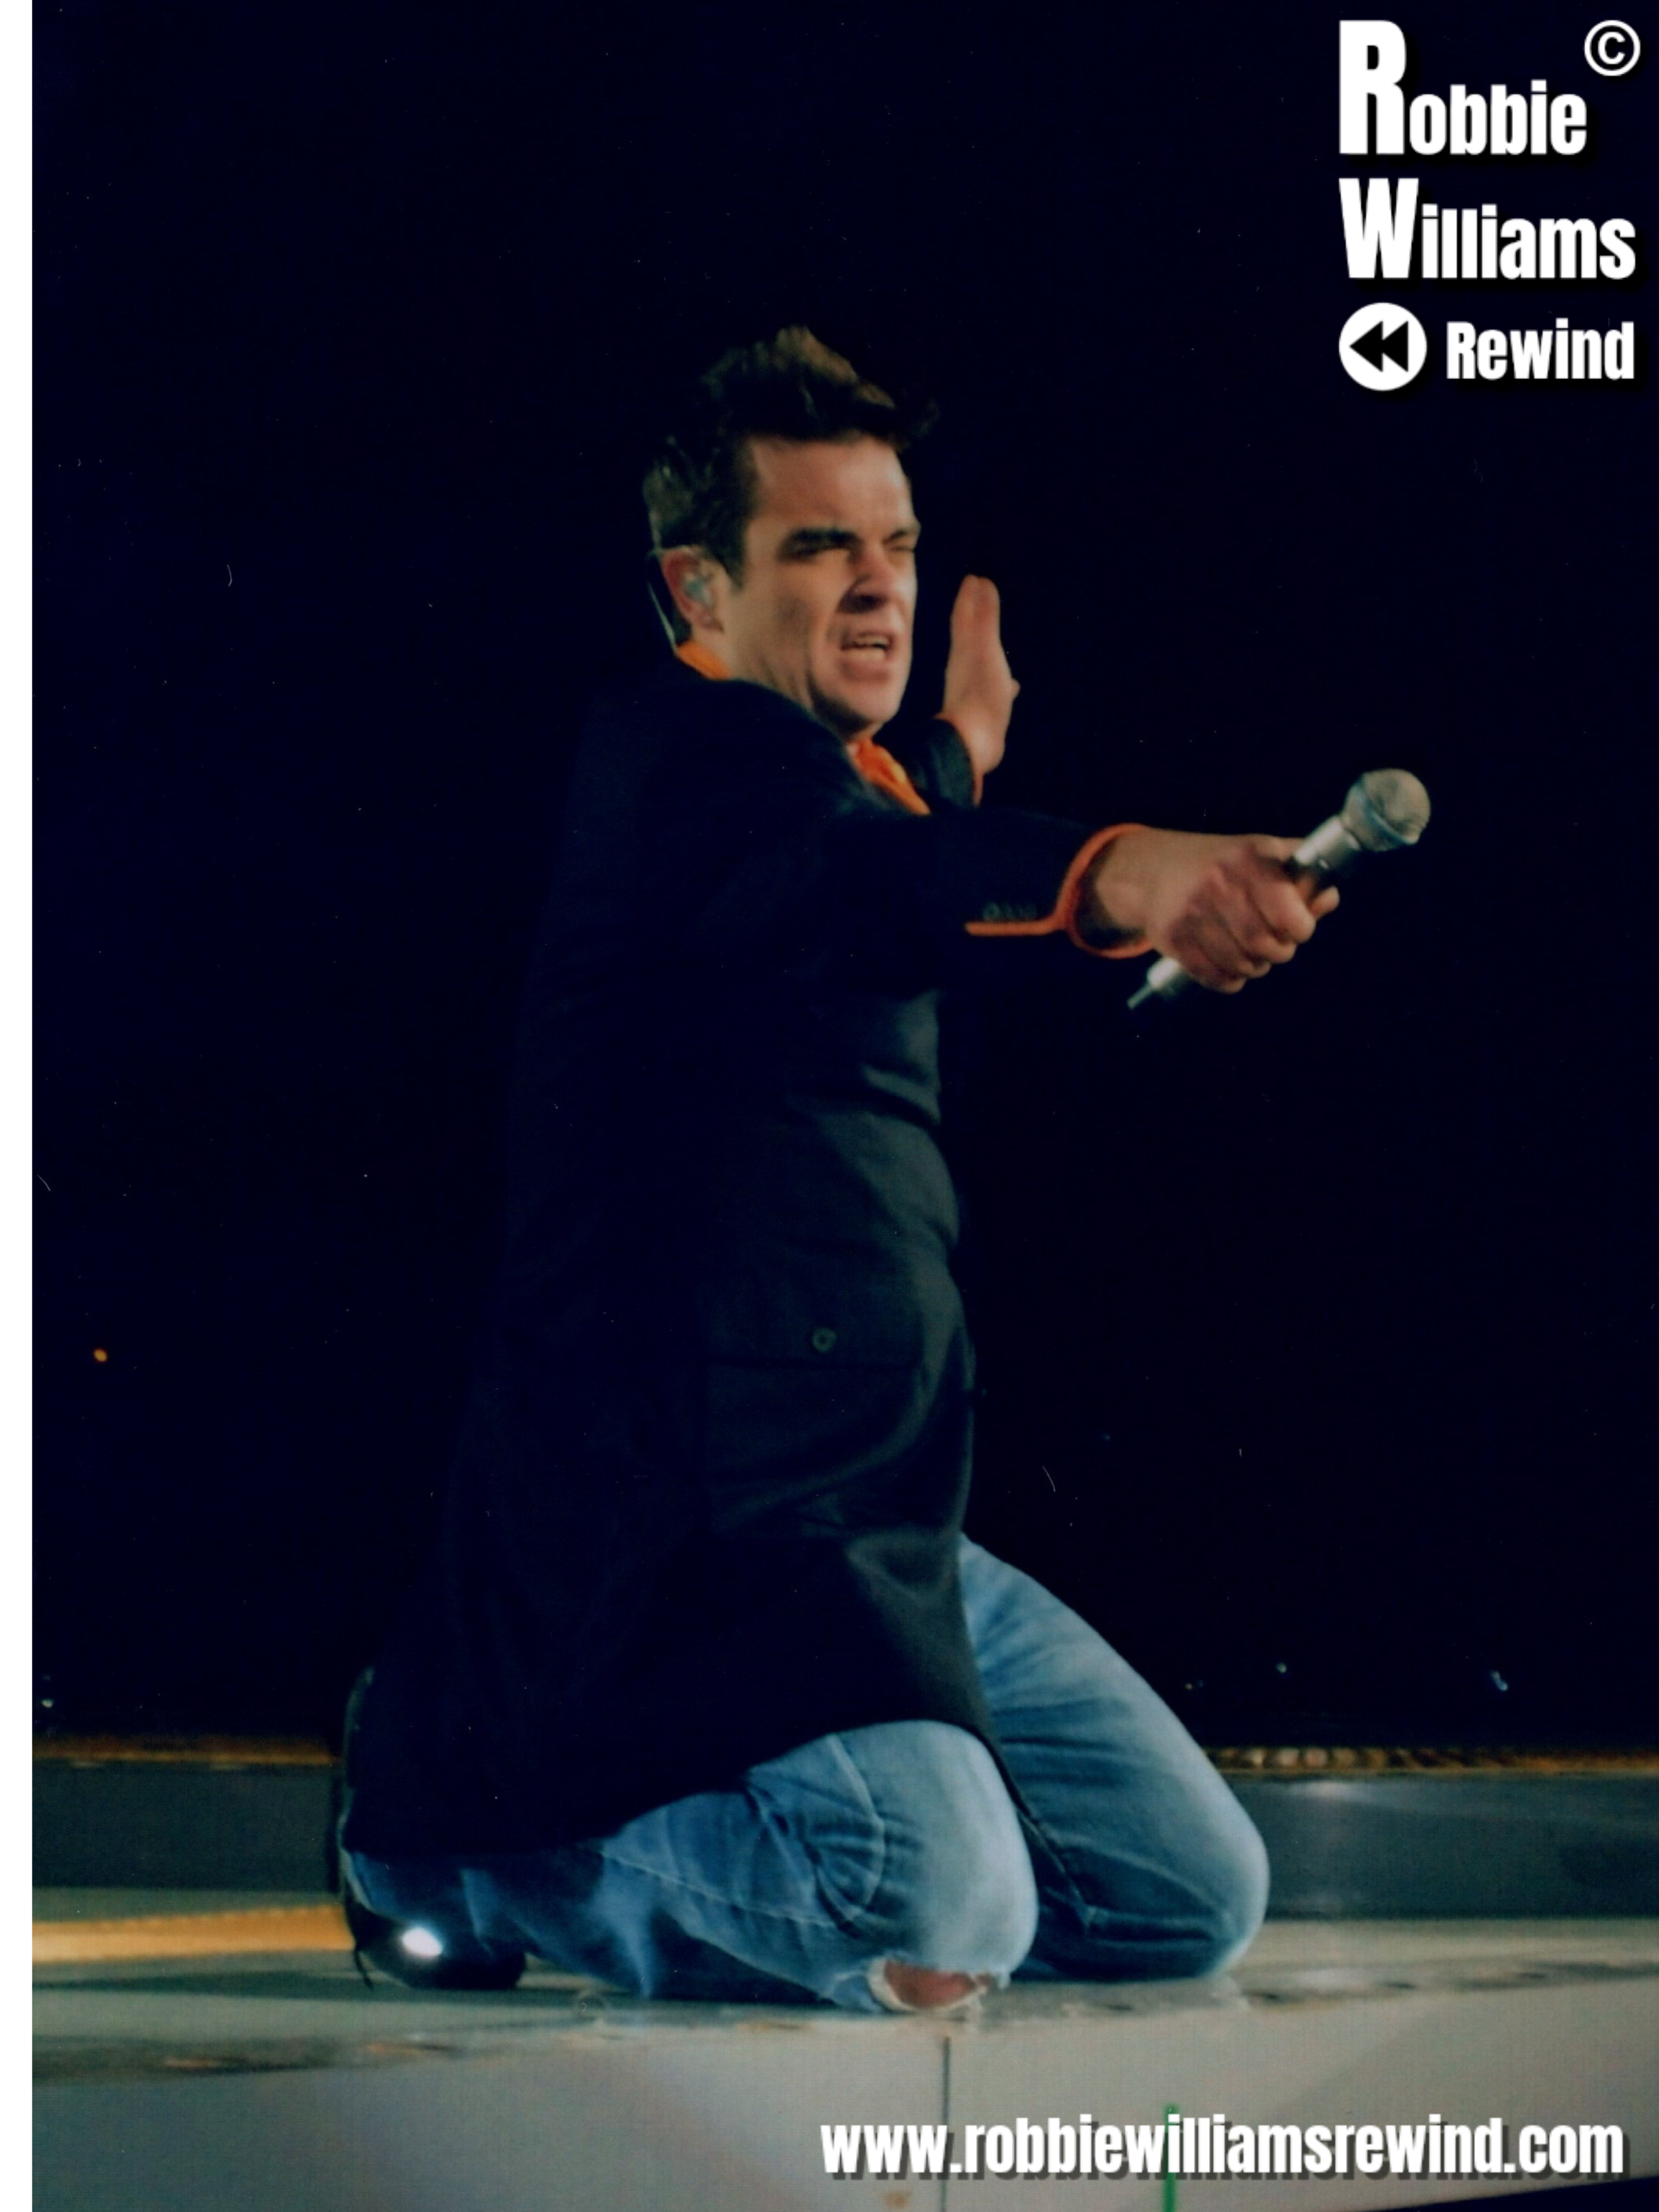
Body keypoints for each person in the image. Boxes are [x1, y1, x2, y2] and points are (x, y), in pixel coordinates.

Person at [338, 329, 1337, 2013]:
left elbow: (873, 837)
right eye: (819, 549)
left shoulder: (824, 790)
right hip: (690, 1531)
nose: (879, 586)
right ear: (698, 590)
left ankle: (597, 1818)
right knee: (931, 1914)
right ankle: (457, 1843)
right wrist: (1127, 874)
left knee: (1189, 1894)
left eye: (897, 545)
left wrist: (953, 753)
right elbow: (876, 878)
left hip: (874, 1513)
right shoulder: (673, 766)